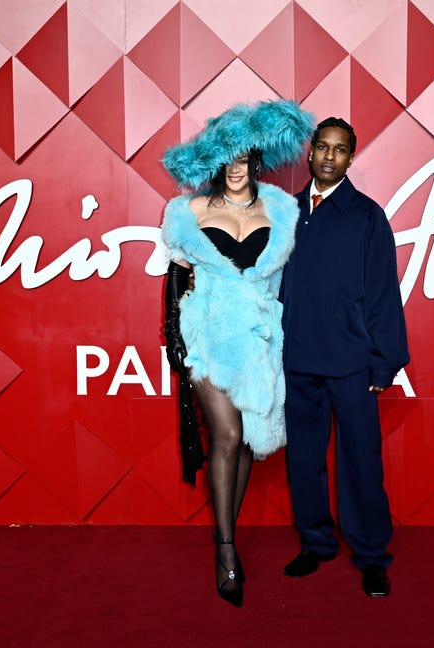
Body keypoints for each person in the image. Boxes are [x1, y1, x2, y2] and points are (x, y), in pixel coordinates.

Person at [160, 100, 314, 608]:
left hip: (258, 338)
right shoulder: (190, 212)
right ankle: (225, 550)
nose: (235, 168)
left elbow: (286, 281)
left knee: (247, 439)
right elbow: (177, 278)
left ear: (254, 161)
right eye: (226, 160)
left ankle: (227, 529)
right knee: (225, 434)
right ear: (215, 164)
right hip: (206, 335)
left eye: (243, 159)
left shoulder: (281, 211)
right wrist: (178, 343)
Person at [279, 117, 409, 598]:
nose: (330, 156)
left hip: (353, 362)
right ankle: (315, 543)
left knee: (361, 462)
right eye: (323, 148)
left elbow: (382, 293)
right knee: (305, 460)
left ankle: (372, 555)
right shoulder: (286, 213)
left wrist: (383, 360)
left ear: (351, 158)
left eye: (341, 150)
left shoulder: (367, 216)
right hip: (298, 361)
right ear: (310, 153)